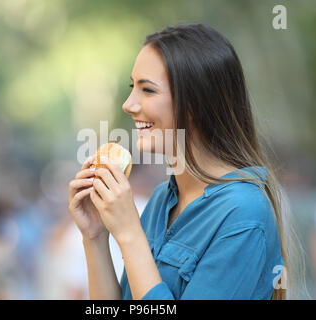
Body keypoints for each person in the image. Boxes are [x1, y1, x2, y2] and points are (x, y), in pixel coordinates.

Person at [68, 23, 297, 300]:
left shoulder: (243, 213)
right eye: (133, 87)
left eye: (147, 90)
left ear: (194, 104)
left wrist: (129, 234)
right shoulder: (160, 201)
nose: (128, 104)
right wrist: (95, 236)